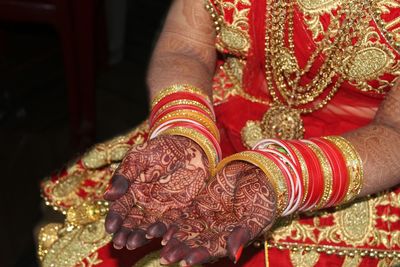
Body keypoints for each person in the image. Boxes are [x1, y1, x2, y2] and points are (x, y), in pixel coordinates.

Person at [37, 0, 400, 266]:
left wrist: (286, 176)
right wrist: (184, 129)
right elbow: (185, 47)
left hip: (361, 159)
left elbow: (394, 129)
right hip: (220, 120)